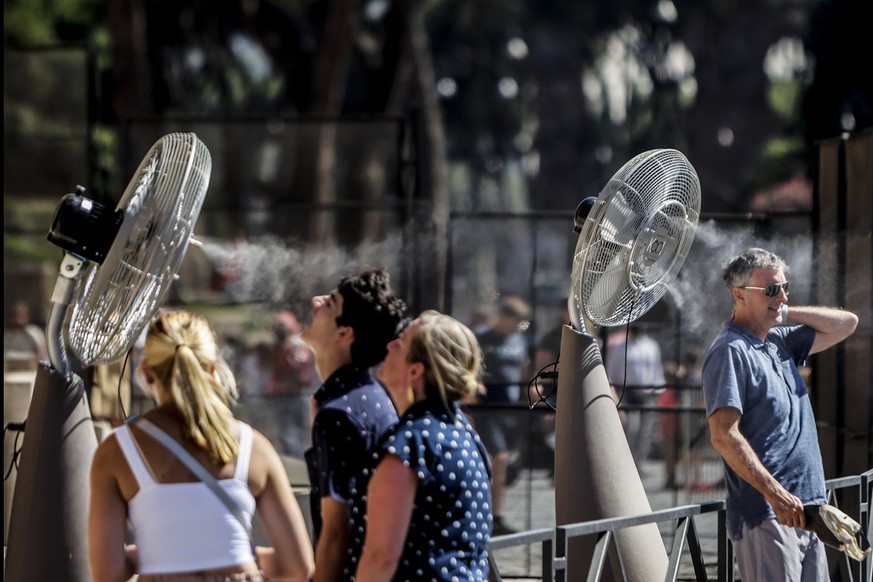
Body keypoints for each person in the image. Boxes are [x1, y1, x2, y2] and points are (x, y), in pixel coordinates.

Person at [88, 309, 315, 582]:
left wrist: (152, 556)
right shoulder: (254, 447)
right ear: (212, 369)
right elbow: (298, 567)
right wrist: (237, 556)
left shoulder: (117, 451)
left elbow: (107, 573)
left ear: (147, 375)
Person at [701, 247, 858, 580]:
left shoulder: (779, 340)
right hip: (769, 513)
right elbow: (723, 435)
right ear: (739, 295)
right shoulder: (730, 350)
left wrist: (782, 311)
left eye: (785, 287)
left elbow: (847, 324)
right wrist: (775, 494)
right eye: (772, 289)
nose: (783, 296)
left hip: (810, 510)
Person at [355, 310, 492, 581]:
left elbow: (381, 557)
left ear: (415, 371)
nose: (389, 345)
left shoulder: (412, 444)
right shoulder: (464, 433)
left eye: (400, 343)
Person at [300, 269, 408, 582]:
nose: (315, 301)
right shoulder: (368, 395)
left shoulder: (338, 414)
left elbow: (336, 533)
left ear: (344, 333)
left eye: (329, 303)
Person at [473, 295, 530, 535]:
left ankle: (494, 514)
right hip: (486, 407)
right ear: (503, 316)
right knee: (500, 458)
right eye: (513, 320)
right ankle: (493, 514)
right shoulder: (482, 339)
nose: (515, 326)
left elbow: (525, 366)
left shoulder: (519, 340)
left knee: (501, 462)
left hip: (510, 409)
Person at [605, 326, 666, 466]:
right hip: (627, 392)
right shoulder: (621, 346)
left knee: (645, 432)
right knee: (631, 429)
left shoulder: (651, 346)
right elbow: (612, 371)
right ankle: (627, 462)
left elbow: (656, 369)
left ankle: (638, 463)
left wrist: (658, 390)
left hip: (647, 393)